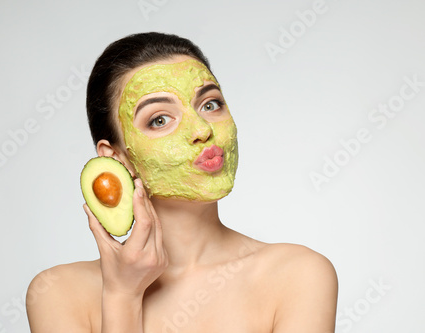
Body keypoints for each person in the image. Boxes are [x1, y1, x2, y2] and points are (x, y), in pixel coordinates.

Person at [26, 32, 338, 333]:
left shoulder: (298, 275)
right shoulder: (57, 293)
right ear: (117, 158)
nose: (202, 129)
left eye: (210, 104)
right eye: (159, 119)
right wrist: (122, 296)